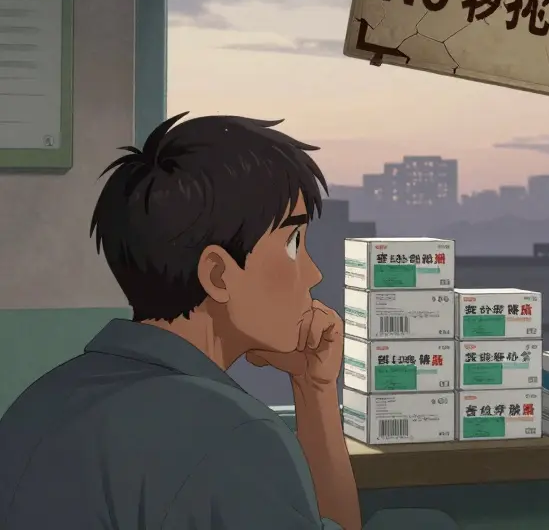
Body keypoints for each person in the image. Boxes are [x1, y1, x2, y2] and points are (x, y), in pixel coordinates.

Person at [0, 114, 367, 528]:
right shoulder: (235, 434)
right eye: (292, 243)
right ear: (218, 274)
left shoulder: (44, 398)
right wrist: (316, 391)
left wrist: (311, 383)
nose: (313, 273)